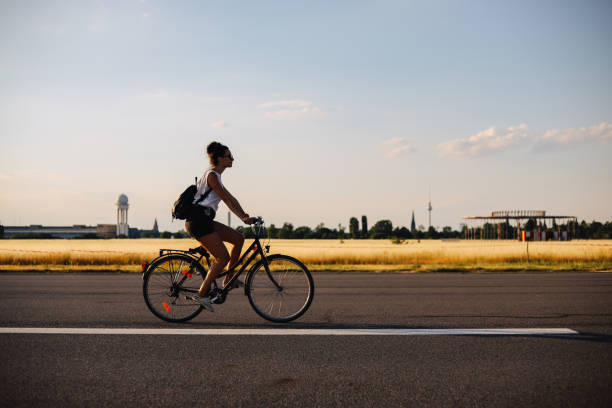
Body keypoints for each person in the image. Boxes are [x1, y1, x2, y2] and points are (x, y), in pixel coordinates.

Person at [185, 141, 256, 311]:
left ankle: (228, 279)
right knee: (222, 258)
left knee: (239, 239)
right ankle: (201, 294)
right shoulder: (211, 176)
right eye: (229, 156)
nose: (232, 158)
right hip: (198, 221)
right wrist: (243, 218)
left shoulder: (216, 176)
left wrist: (245, 216)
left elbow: (231, 198)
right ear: (219, 158)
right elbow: (225, 199)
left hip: (206, 220)